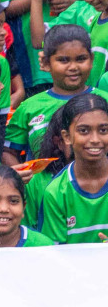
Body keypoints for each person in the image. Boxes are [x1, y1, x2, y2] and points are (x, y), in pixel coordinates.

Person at [3, 25, 97, 164]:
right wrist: (22, 180)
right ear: (46, 63)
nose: (73, 67)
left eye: (81, 59)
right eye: (63, 60)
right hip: (42, 186)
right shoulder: (30, 107)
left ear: (92, 59)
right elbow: (8, 151)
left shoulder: (103, 100)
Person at [37, 92, 108, 243]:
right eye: (84, 131)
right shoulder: (56, 192)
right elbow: (54, 254)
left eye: (103, 130)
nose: (95, 139)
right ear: (67, 137)